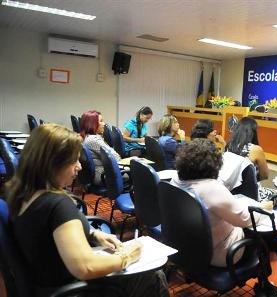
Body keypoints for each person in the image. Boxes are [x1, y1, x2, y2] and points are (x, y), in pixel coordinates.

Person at [5, 124, 168, 297]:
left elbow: (48, 231)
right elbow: (85, 267)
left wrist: (92, 234)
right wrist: (126, 257)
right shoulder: (57, 205)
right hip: (75, 289)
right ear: (53, 164)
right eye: (74, 160)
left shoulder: (21, 194)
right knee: (154, 277)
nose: (79, 167)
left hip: (45, 283)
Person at [171, 139, 277, 269]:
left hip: (190, 246)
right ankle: (267, 280)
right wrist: (262, 208)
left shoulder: (176, 179)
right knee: (259, 226)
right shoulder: (210, 188)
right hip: (219, 253)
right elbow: (246, 219)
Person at [80, 110, 121, 185]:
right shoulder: (94, 140)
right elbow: (116, 158)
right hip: (102, 174)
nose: (104, 124)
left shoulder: (87, 136)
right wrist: (117, 154)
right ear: (92, 124)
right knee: (136, 173)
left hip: (102, 171)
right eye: (101, 121)